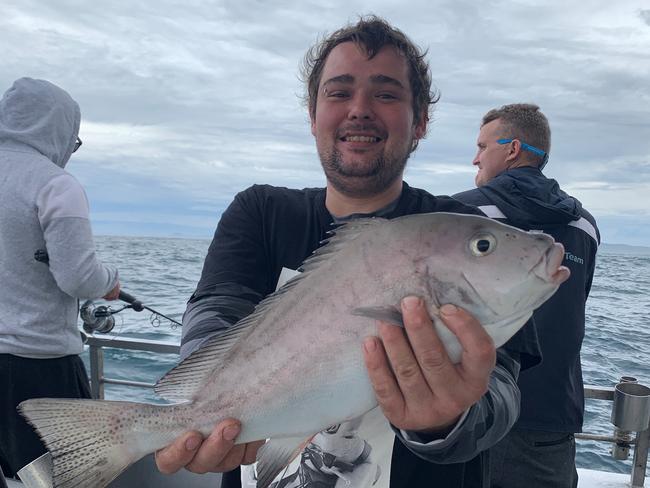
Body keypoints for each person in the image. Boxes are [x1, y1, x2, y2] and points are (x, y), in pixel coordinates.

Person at [155, 17, 541, 488]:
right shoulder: (260, 211)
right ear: (313, 115)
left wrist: (449, 421)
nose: (360, 110)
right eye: (339, 93)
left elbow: (503, 390)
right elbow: (217, 304)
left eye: (386, 94)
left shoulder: (455, 236)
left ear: (419, 121)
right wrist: (209, 395)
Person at [453, 103, 600, 488]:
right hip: (550, 418)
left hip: (467, 414)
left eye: (482, 147)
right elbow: (574, 304)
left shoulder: (459, 217)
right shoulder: (585, 226)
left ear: (512, 149)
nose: (475, 159)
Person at [0, 77, 120, 478]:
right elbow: (79, 277)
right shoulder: (54, 183)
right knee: (74, 477)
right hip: (38, 367)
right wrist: (110, 280)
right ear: (59, 130)